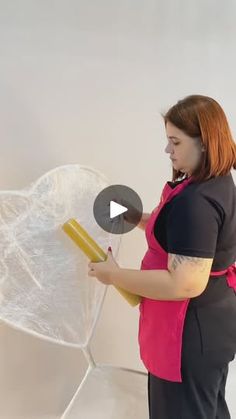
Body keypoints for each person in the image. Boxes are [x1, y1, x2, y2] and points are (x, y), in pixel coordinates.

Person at [88, 94, 236, 419]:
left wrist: (112, 274)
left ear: (206, 144)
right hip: (211, 330)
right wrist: (139, 218)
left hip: (186, 338)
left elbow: (183, 284)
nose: (167, 151)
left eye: (175, 142)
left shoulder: (195, 202)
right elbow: (187, 240)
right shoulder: (217, 182)